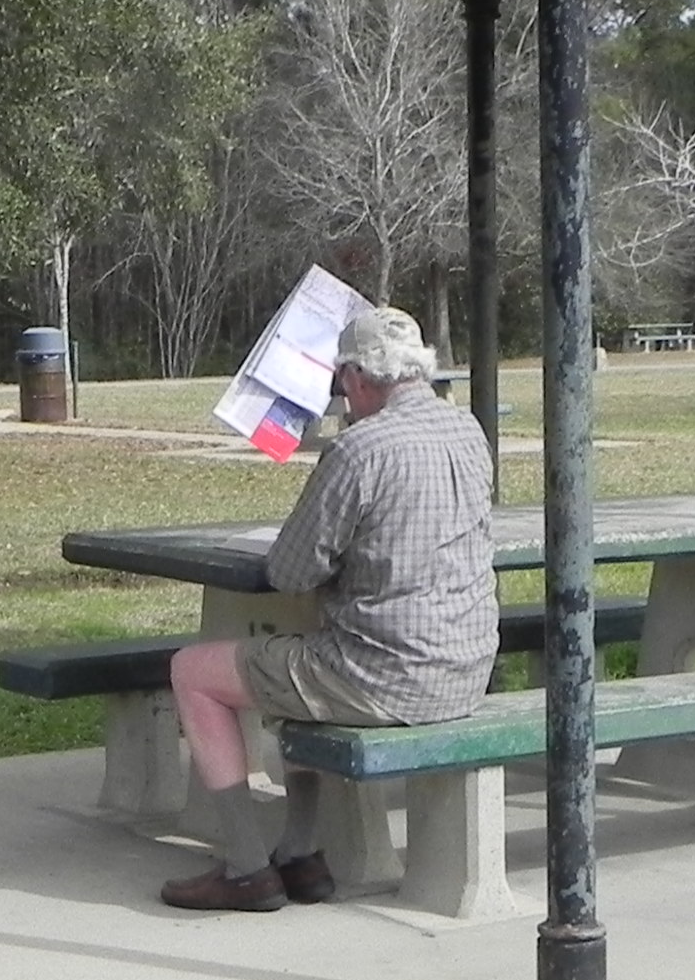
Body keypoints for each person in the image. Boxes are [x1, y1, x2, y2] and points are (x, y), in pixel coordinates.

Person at [159, 305, 500, 910]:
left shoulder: (358, 449)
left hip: (384, 678)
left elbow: (291, 572)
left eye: (341, 380)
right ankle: (299, 853)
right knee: (297, 653)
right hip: (467, 671)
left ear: (356, 378)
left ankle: (246, 868)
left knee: (194, 672)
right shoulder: (469, 432)